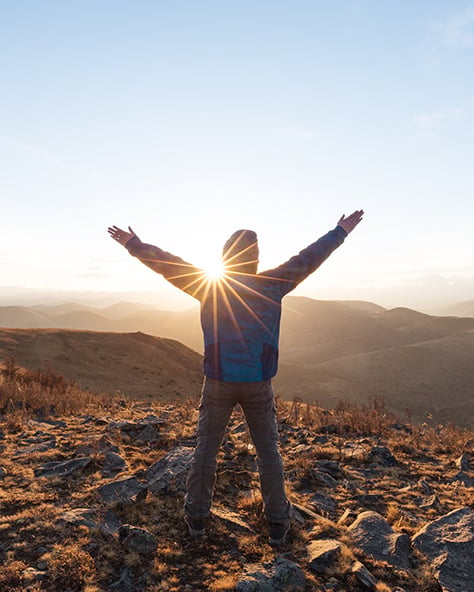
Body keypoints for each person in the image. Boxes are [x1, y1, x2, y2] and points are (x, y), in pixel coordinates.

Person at [108, 210, 364, 546]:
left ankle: (197, 520)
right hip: (258, 383)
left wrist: (134, 245)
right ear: (256, 259)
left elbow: (169, 265)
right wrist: (339, 232)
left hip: (218, 382)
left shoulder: (209, 286)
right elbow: (308, 258)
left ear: (224, 258)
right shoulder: (273, 284)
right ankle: (277, 525)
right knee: (268, 453)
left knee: (206, 452)